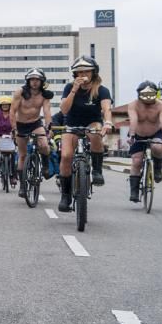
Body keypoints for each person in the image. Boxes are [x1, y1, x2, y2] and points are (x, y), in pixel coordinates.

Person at [56, 55, 113, 212]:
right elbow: (64, 110)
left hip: (92, 122)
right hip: (72, 124)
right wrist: (74, 90)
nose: (82, 76)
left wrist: (108, 122)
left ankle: (97, 170)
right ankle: (65, 196)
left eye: (86, 72)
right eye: (79, 73)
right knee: (66, 156)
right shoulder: (69, 87)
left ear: (93, 73)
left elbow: (106, 108)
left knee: (95, 134)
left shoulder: (101, 90)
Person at [10, 68, 54, 195]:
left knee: (44, 145)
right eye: (32, 79)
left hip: (35, 123)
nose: (34, 82)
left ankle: (45, 166)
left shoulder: (44, 96)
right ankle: (23, 186)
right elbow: (12, 111)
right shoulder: (20, 92)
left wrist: (48, 126)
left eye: (37, 80)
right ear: (28, 81)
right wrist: (14, 128)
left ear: (42, 81)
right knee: (22, 155)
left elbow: (46, 111)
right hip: (20, 124)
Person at [127, 81, 162, 201]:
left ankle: (157, 167)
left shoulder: (161, 105)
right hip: (138, 133)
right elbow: (133, 121)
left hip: (156, 133)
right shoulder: (133, 105)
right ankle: (134, 191)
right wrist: (131, 135)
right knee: (136, 161)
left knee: (157, 147)